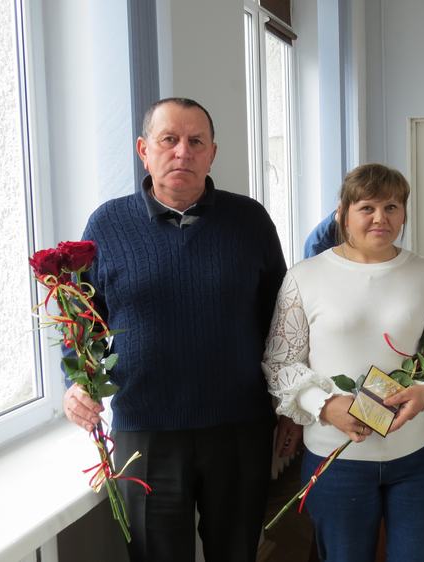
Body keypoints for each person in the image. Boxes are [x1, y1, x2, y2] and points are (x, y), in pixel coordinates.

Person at [61, 97, 287, 561]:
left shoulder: (250, 221)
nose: (183, 151)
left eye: (196, 141)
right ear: (144, 150)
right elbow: (81, 321)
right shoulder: (106, 224)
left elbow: (281, 323)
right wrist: (76, 385)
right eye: (169, 140)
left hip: (239, 427)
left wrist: (289, 407)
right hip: (146, 431)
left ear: (212, 153)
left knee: (237, 552)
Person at [263, 163, 424, 562]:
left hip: (419, 455)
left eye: (392, 207)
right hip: (336, 458)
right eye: (367, 208)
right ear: (343, 214)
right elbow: (280, 361)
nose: (381, 218)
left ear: (404, 214)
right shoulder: (305, 277)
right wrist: (325, 404)